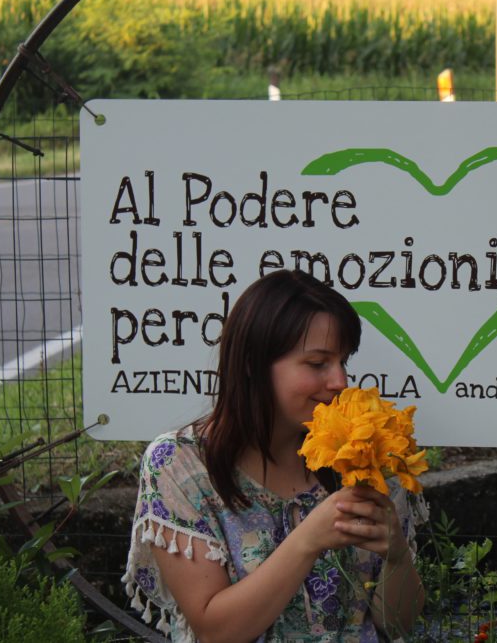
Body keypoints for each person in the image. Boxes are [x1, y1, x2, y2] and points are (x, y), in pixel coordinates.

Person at [123, 270, 427, 642]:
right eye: (318, 363)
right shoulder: (180, 465)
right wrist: (308, 539)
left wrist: (396, 555)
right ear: (253, 363)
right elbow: (217, 632)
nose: (340, 382)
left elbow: (397, 624)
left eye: (343, 361)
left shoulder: (364, 457)